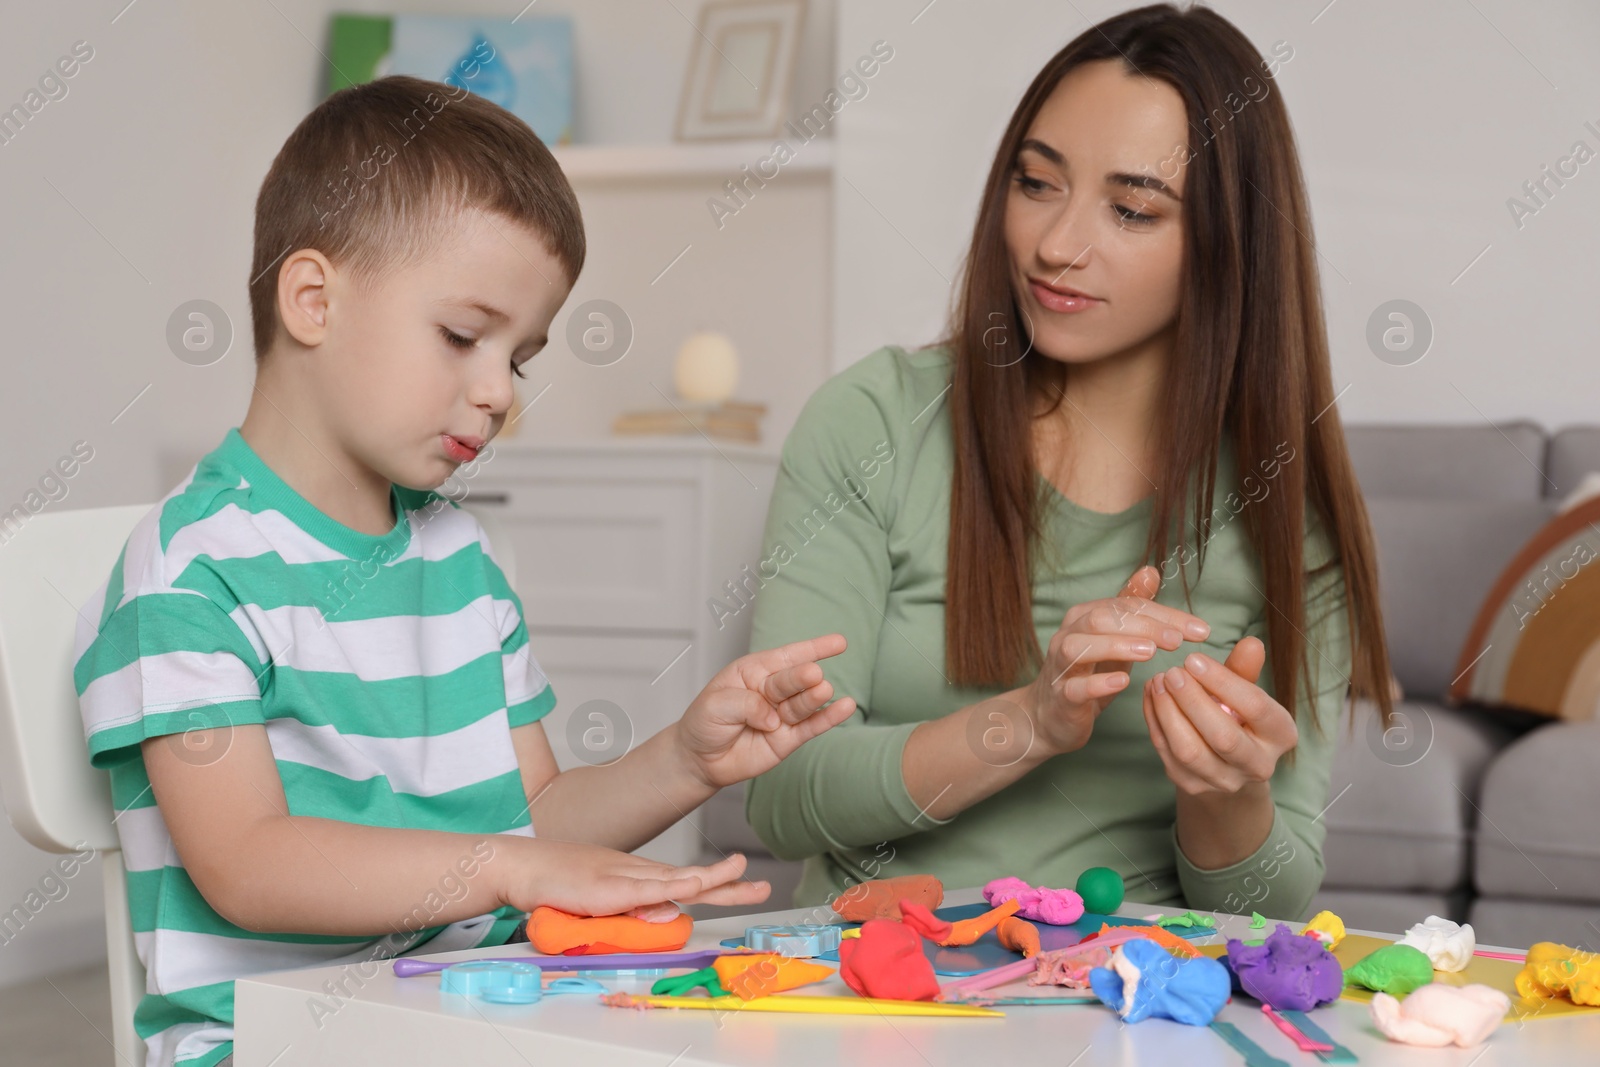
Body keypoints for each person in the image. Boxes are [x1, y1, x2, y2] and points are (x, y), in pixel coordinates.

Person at [71, 76, 855, 1067]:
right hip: (267, 1041)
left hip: (478, 1015)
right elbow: (246, 862)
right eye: (460, 336)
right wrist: (502, 869)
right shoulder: (190, 572)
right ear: (312, 299)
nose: (495, 393)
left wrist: (685, 760)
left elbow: (530, 815)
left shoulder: (460, 556)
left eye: (517, 358)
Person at [744, 4, 1396, 920]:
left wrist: (1225, 793)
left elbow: (1275, 901)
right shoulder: (873, 421)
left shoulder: (1284, 500)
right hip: (886, 984)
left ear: (1228, 246)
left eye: (1131, 209)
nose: (1056, 244)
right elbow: (780, 796)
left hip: (1138, 992)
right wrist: (1034, 721)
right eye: (1036, 182)